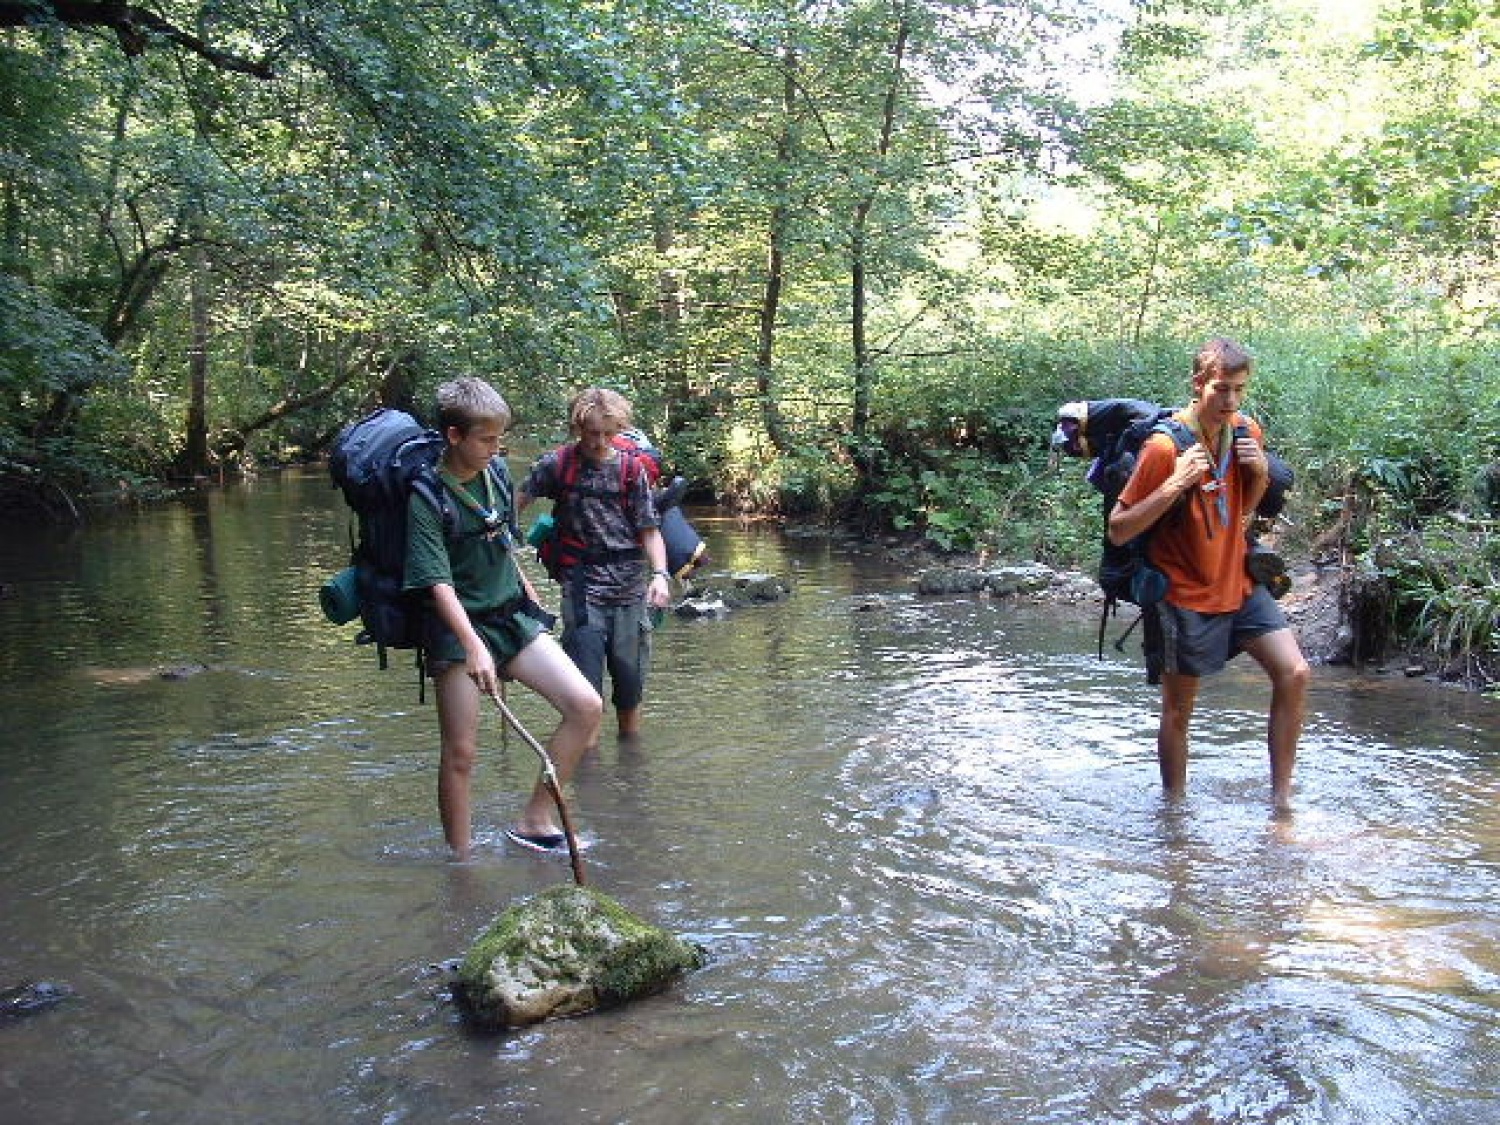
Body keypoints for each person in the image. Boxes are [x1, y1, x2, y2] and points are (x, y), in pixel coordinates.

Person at [403, 377, 603, 860]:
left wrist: (528, 591)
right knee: (462, 753)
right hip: (458, 631)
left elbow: (503, 538)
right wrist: (472, 646)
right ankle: (461, 860)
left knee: (586, 706)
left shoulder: (494, 474)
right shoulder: (426, 496)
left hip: (511, 618)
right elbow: (438, 582)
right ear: (454, 436)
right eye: (487, 439)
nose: (497, 449)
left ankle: (534, 819)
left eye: (500, 439)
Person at [1107, 338, 1310, 811]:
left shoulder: (1245, 433)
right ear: (1199, 385)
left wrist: (1258, 478)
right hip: (1184, 593)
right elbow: (1120, 530)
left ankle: (1281, 803)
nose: (1231, 401)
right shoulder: (1162, 448)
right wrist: (1175, 483)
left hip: (1238, 581)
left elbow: (1240, 514)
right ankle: (1174, 813)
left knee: (1295, 672)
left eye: (1239, 389)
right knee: (1179, 711)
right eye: (1221, 389)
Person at [517, 388, 672, 738]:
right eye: (592, 433)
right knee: (586, 698)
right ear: (577, 427)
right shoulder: (556, 466)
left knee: (630, 693)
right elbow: (513, 509)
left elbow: (650, 530)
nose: (600, 442)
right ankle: (590, 781)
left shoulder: (632, 470)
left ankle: (629, 774)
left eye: (608, 433)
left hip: (631, 590)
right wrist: (498, 549)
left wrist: (660, 575)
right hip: (581, 590)